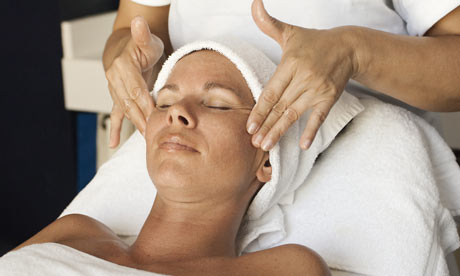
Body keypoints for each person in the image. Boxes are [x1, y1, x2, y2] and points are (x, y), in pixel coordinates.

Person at [0, 44, 330, 275]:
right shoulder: (75, 232)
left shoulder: (288, 269)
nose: (177, 113)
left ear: (268, 159)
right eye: (165, 101)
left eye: (217, 104)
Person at [103, 0, 460, 151]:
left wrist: (355, 52)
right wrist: (126, 57)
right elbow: (131, 29)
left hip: (359, 169)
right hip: (204, 177)